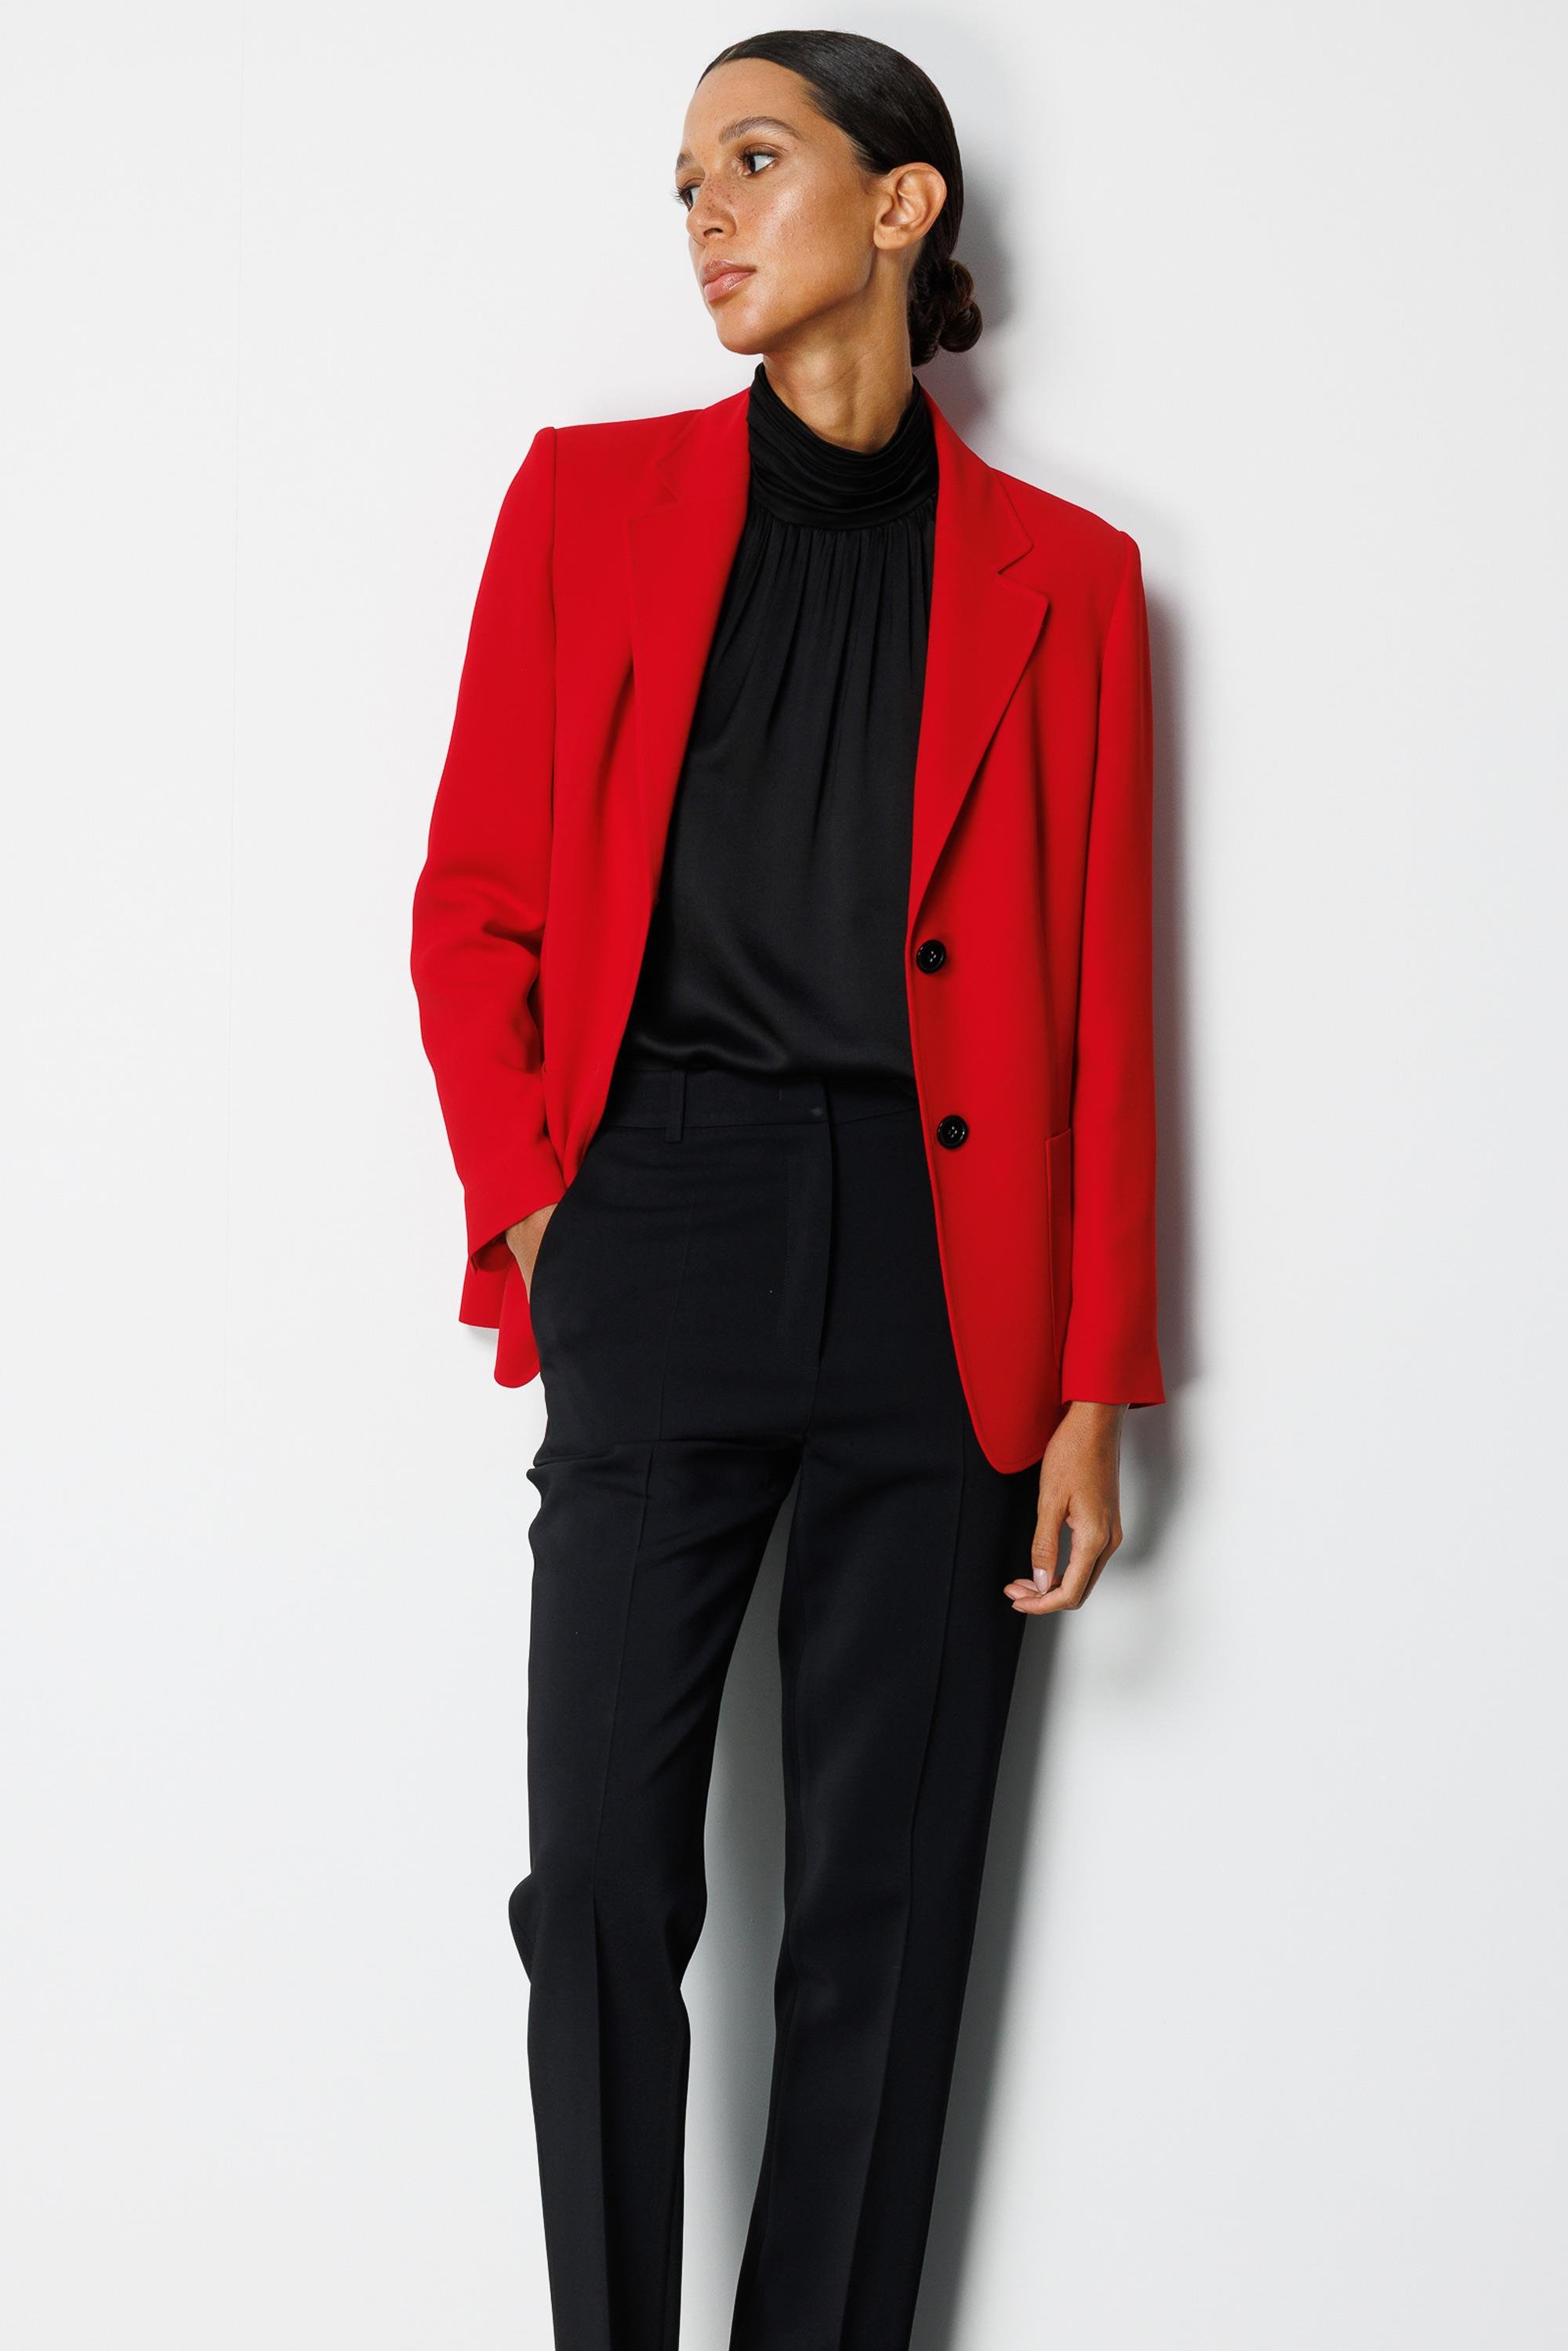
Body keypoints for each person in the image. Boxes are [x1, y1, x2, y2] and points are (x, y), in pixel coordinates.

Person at [410, 27, 1163, 2351]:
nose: (710, 215)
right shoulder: (586, 504)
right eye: (687, 183)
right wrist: (545, 1209)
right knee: (600, 1885)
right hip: (664, 1223)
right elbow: (473, 909)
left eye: (756, 161)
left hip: (952, 1284)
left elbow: (1103, 1001)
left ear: (904, 201)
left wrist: (1094, 1381)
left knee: (883, 1914)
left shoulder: (1071, 583)